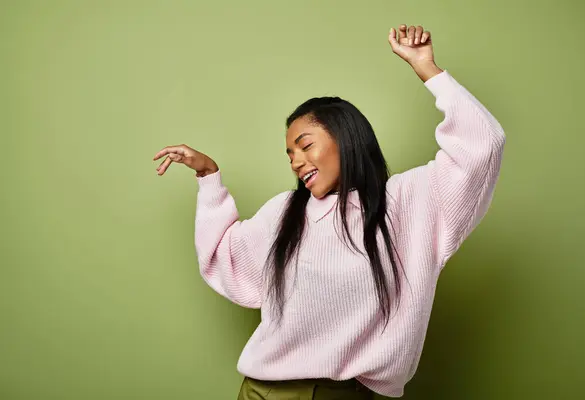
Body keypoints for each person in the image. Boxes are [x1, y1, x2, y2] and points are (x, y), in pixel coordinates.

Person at [153, 23, 506, 399]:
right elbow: (226, 259)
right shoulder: (286, 212)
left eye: (305, 146)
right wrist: (209, 178)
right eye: (290, 154)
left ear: (345, 138)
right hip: (261, 391)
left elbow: (482, 144)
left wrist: (428, 70)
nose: (296, 162)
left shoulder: (407, 203)